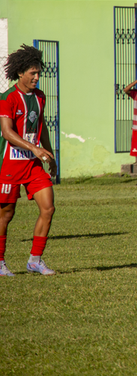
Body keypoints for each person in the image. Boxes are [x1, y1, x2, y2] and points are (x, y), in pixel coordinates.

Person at [0, 45, 58, 276]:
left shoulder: (40, 97)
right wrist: (34, 148)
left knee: (48, 208)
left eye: (38, 72)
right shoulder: (7, 98)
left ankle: (35, 260)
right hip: (10, 164)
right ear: (20, 73)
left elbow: (41, 127)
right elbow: (7, 132)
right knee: (6, 214)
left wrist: (49, 154)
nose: (37, 76)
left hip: (33, 164)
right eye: (32, 73)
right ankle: (0, 262)